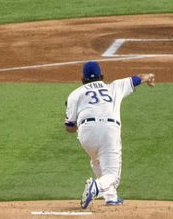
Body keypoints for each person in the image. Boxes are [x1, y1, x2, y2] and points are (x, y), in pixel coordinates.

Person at [66, 61, 155, 209]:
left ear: (83, 78)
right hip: (109, 130)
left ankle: (111, 197)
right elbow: (137, 79)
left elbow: (69, 127)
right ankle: (96, 187)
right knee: (113, 176)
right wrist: (148, 77)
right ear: (102, 76)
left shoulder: (75, 94)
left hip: (86, 133)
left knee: (97, 161)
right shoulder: (114, 87)